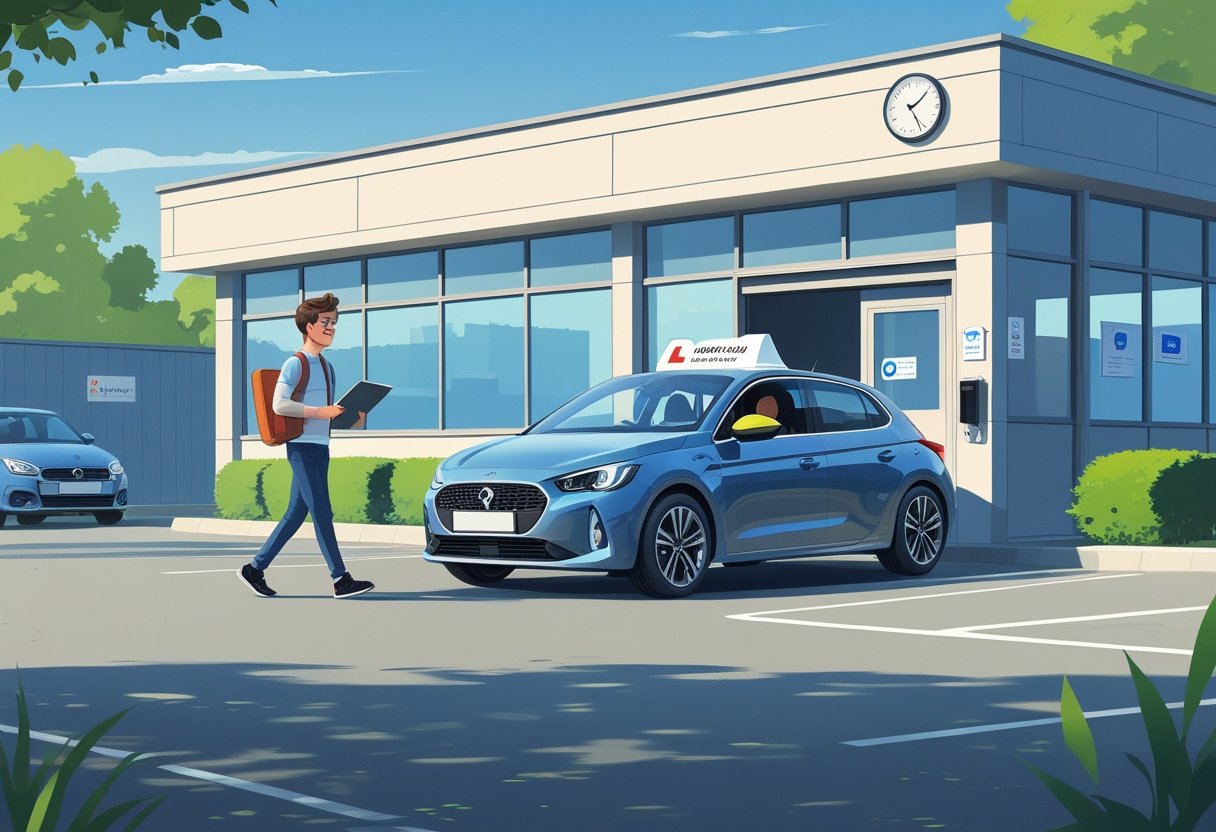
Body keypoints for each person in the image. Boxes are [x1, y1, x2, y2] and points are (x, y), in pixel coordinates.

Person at [238, 292, 376, 599]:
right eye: (326, 322)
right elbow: (279, 404)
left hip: (320, 446)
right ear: (308, 326)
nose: (331, 328)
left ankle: (254, 568)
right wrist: (320, 412)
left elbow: (326, 415)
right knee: (322, 511)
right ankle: (341, 579)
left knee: (295, 514)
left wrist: (352, 420)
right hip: (302, 448)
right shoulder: (295, 364)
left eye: (334, 323)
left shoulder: (327, 367)